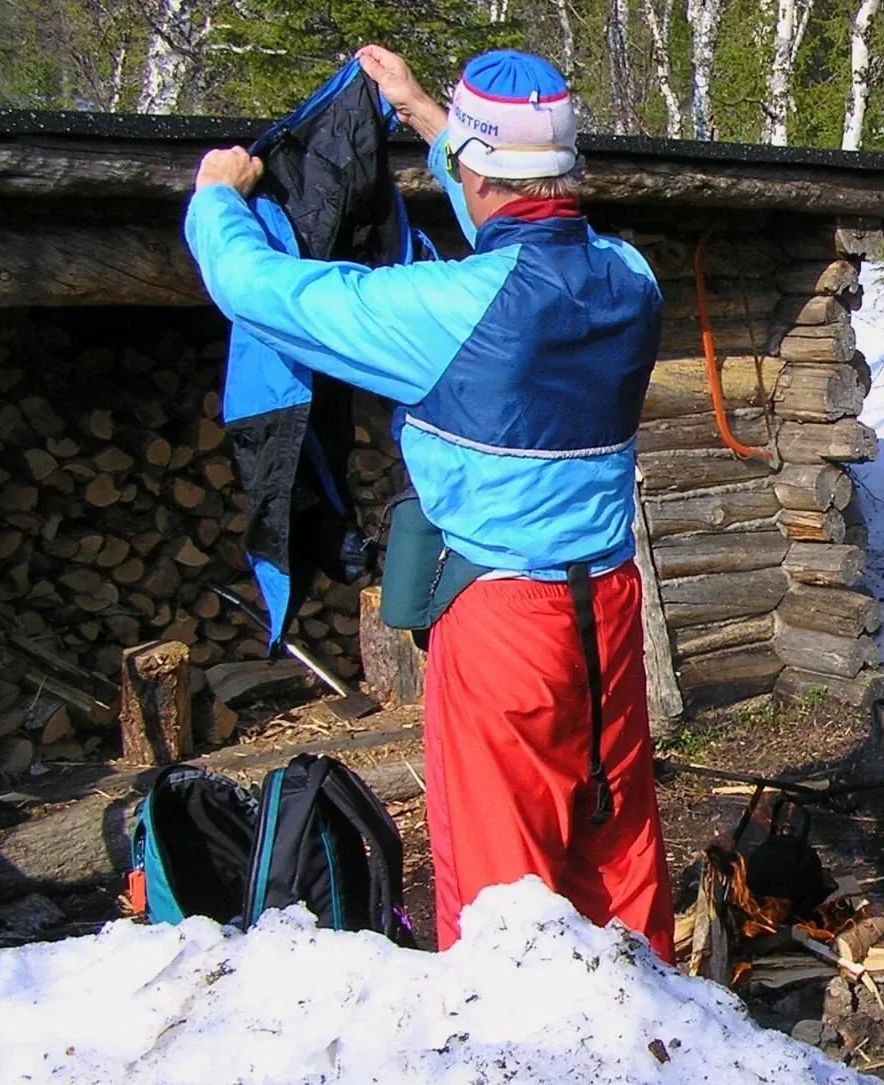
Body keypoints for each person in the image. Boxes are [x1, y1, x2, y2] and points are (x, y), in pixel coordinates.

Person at [183, 46, 674, 958]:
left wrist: (217, 198)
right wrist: (420, 112)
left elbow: (260, 291)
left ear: (477, 174)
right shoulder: (628, 277)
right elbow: (514, 219)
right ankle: (663, 1034)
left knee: (501, 892)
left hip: (501, 625)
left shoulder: (446, 310)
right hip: (606, 610)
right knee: (615, 844)